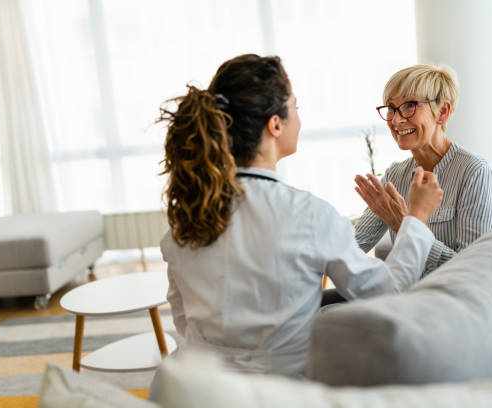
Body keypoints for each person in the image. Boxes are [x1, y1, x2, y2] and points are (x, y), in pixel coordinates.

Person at [158, 54, 443, 378]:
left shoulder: (187, 215)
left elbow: (183, 320)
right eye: (296, 107)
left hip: (192, 388)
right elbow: (385, 293)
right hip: (281, 392)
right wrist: (416, 218)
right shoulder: (308, 215)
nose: (300, 119)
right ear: (275, 124)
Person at [354, 64, 492, 276]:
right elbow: (352, 245)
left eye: (410, 105)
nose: (396, 120)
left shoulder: (475, 173)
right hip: (405, 297)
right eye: (392, 108)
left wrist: (406, 227)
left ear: (442, 112)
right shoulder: (395, 175)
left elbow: (472, 272)